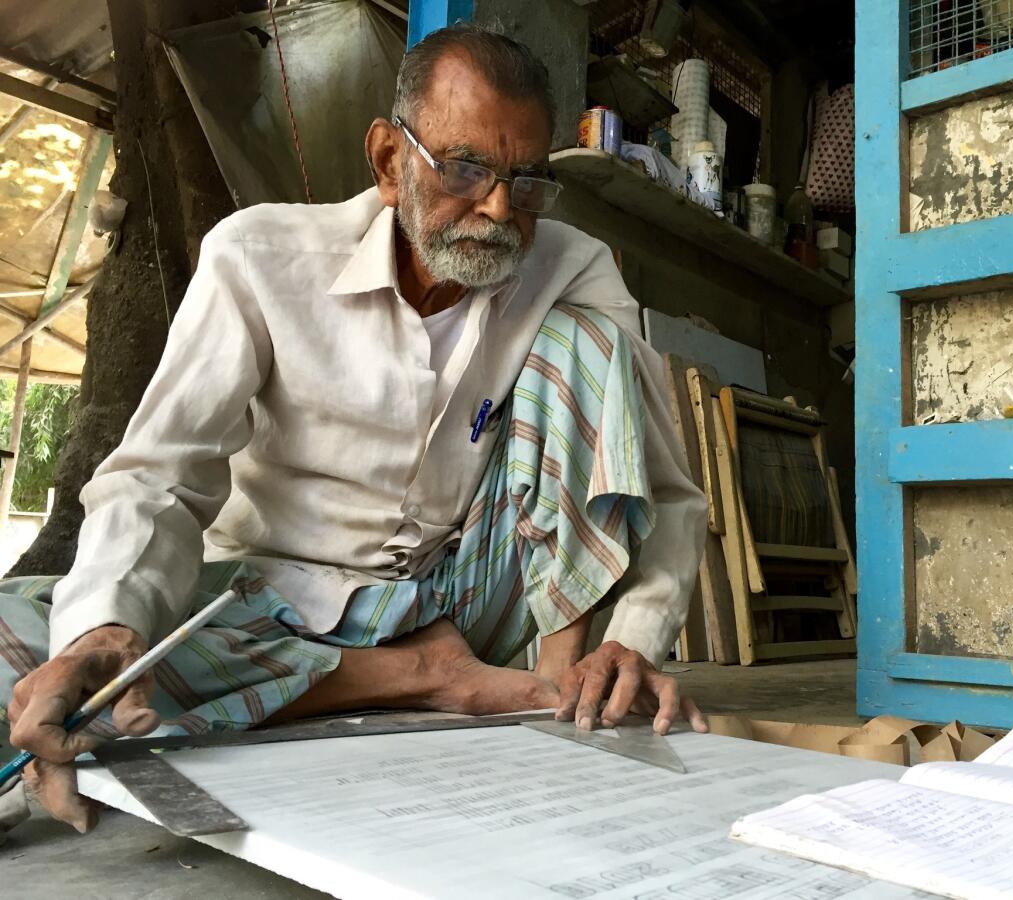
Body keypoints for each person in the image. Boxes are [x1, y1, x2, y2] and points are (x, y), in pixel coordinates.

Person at [0, 24, 707, 835]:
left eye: (527, 181)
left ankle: (554, 695)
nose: (500, 208)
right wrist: (111, 631)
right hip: (266, 604)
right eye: (466, 168)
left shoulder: (573, 267)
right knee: (43, 658)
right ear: (387, 160)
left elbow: (668, 489)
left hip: (464, 591)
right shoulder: (260, 258)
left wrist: (634, 642)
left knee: (590, 346)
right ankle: (419, 677)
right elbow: (159, 475)